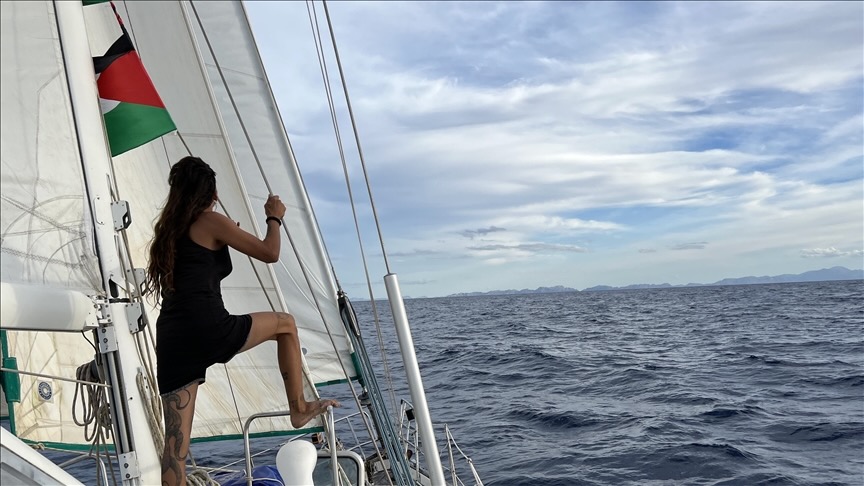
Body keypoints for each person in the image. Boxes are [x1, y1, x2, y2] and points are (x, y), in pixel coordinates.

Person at [146, 156, 338, 486]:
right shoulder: (209, 220)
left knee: (175, 447)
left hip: (173, 340)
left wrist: (226, 235)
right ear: (210, 191)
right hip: (209, 329)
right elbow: (270, 252)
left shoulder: (168, 232)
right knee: (286, 324)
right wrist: (273, 217)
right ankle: (298, 407)